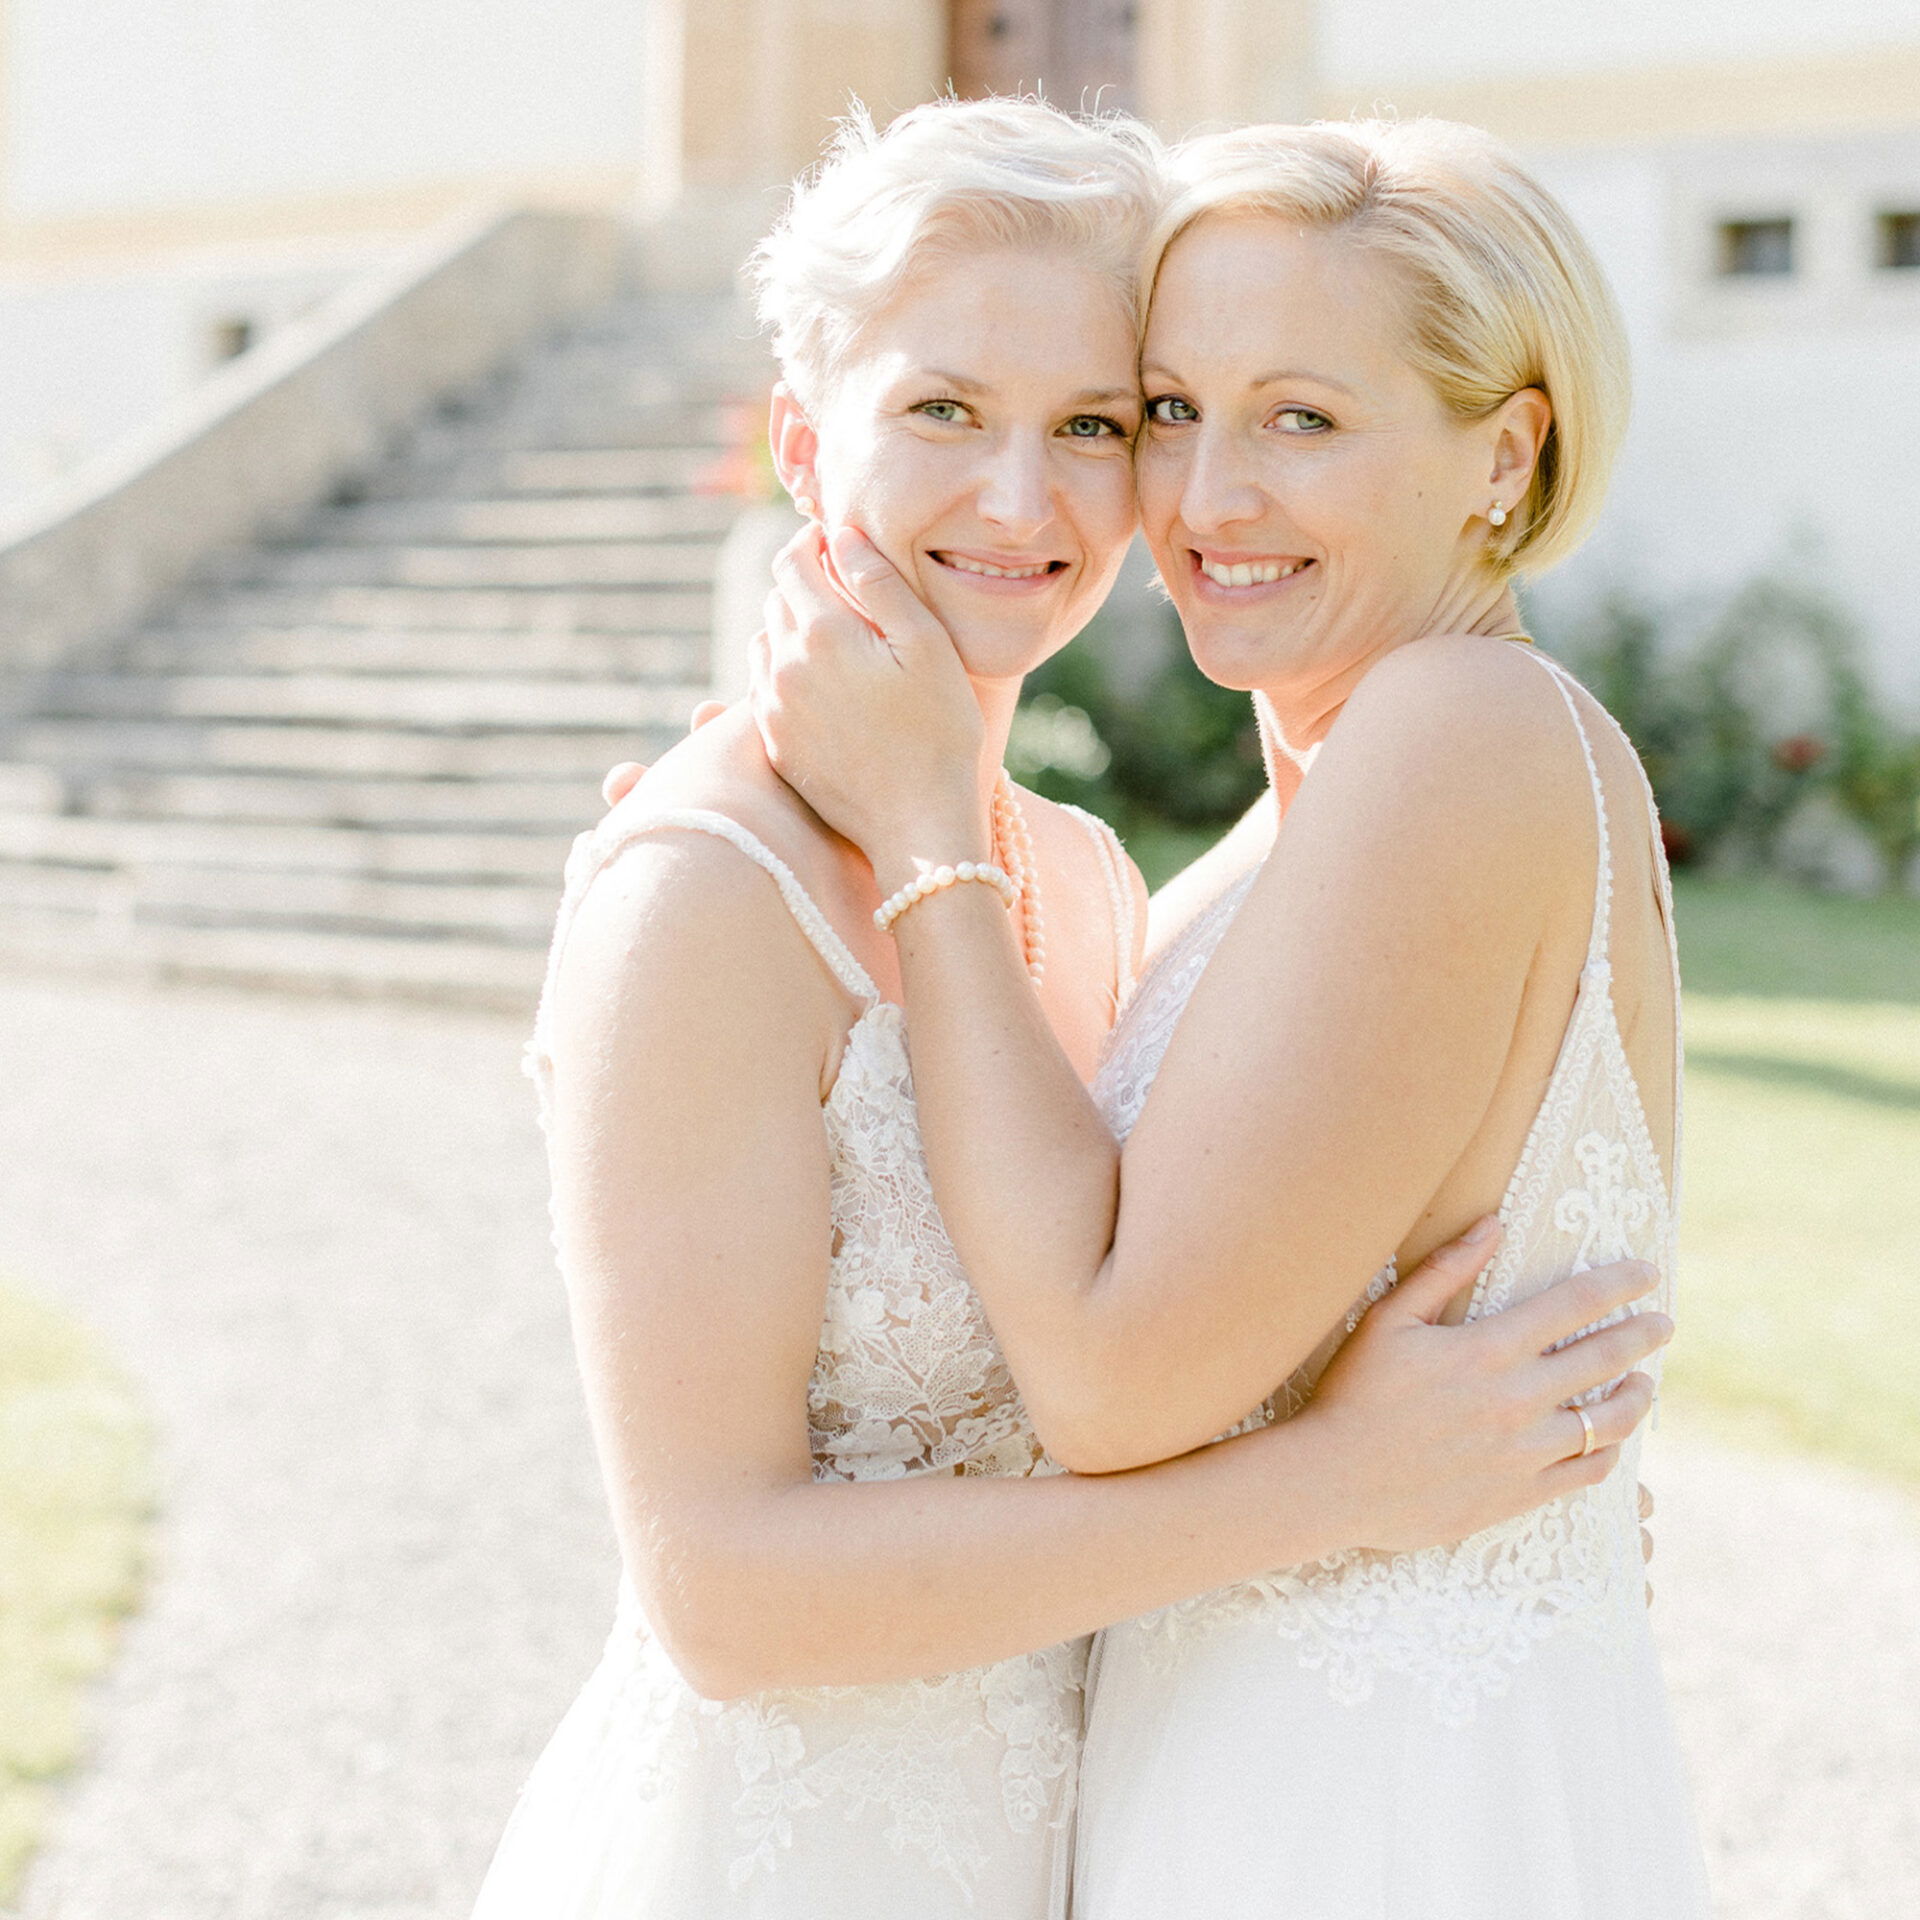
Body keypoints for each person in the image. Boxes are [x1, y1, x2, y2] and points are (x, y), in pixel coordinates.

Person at [748, 116, 1709, 1916]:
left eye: (1304, 418)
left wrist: (923, 826)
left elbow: (1114, 1379)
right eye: (1173, 410)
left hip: (1379, 1810)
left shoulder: (1461, 737)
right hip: (1246, 1769)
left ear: (1503, 456)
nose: (1206, 500)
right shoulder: (1283, 837)